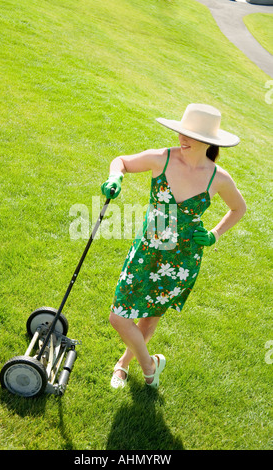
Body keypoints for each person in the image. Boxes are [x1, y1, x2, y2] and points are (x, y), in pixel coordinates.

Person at [101, 103, 246, 389]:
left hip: (182, 258)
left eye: (190, 134)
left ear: (209, 141)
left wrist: (214, 234)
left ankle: (123, 364)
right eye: (182, 131)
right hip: (148, 248)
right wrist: (115, 176)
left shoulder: (219, 178)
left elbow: (238, 209)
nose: (182, 138)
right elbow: (122, 162)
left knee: (151, 316)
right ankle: (150, 364)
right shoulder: (163, 159)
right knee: (119, 317)